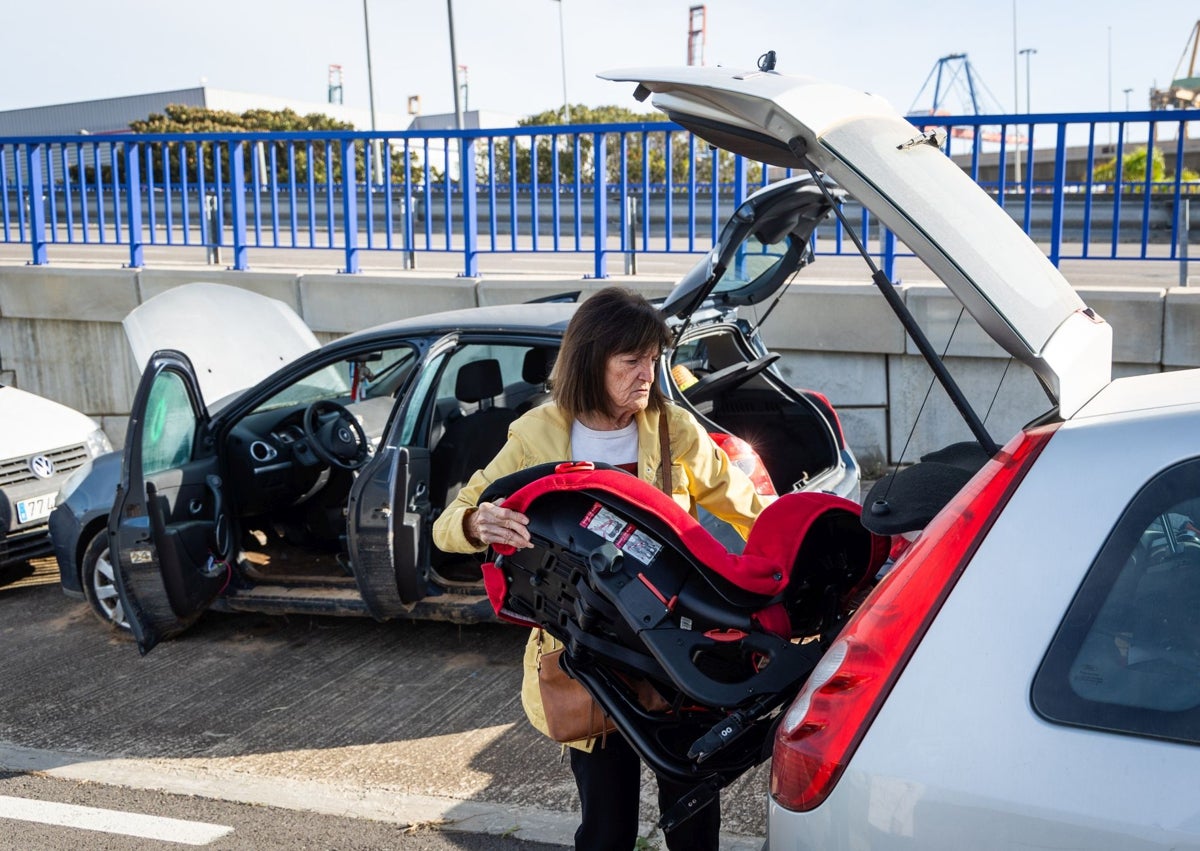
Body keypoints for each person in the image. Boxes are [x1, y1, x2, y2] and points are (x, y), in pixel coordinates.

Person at [433, 286, 771, 851]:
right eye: (632, 360)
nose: (649, 374)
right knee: (607, 829)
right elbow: (453, 518)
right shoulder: (537, 433)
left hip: (674, 651)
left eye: (656, 359)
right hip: (590, 656)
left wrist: (796, 557)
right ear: (592, 359)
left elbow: (752, 510)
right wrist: (477, 524)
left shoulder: (674, 431)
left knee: (693, 819)